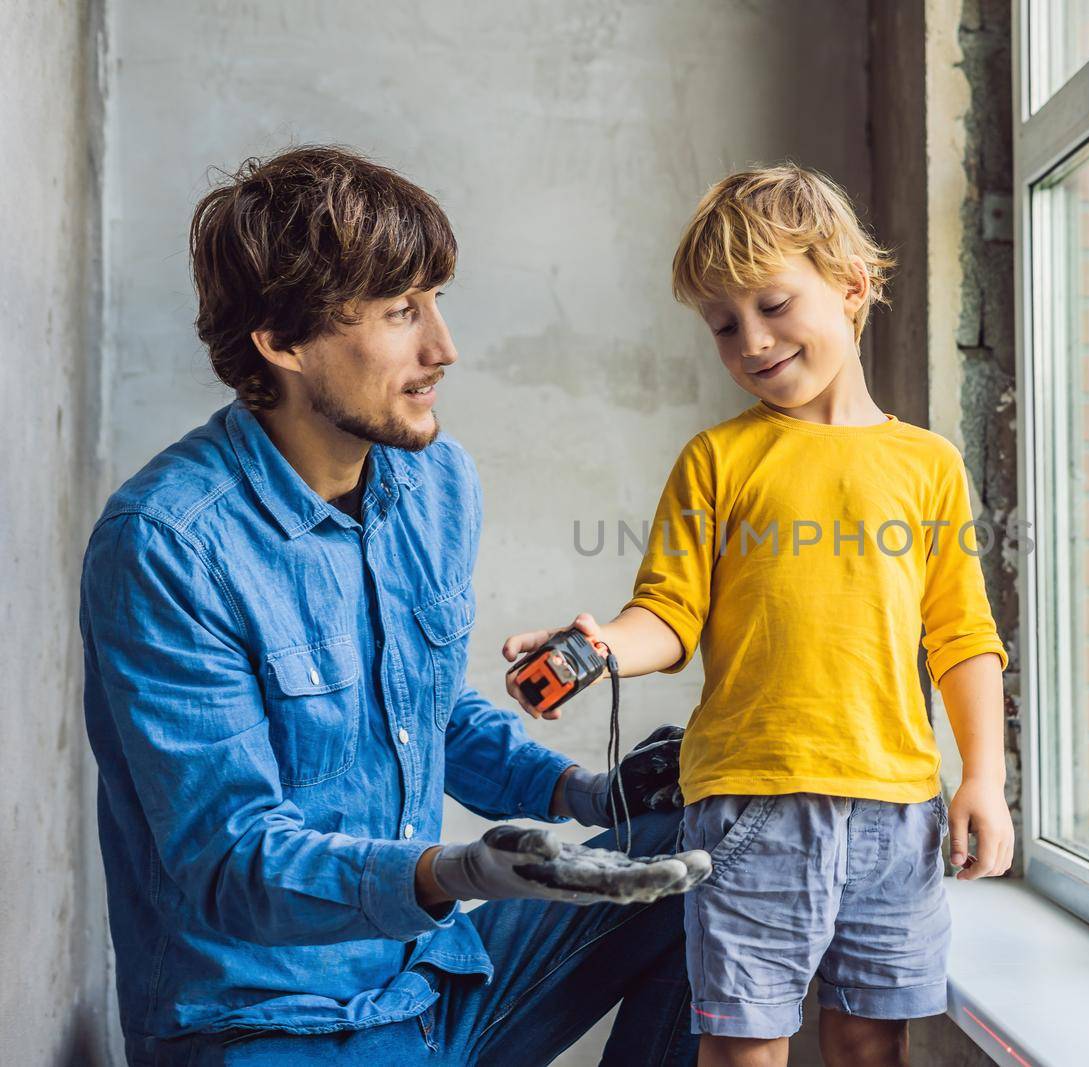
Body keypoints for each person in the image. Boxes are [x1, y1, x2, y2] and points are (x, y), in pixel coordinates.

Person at [79, 145, 710, 1066]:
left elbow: (419, 708)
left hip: (432, 983)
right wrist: (453, 870)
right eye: (400, 311)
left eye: (436, 301)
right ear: (281, 340)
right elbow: (228, 858)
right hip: (270, 1024)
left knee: (709, 862)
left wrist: (581, 792)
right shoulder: (166, 545)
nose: (443, 348)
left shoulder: (433, 479)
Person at [503, 164, 1012, 1067]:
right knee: (743, 1047)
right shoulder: (718, 460)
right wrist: (598, 648)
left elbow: (963, 636)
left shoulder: (928, 464)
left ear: (853, 288)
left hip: (897, 810)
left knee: (870, 1043)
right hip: (750, 808)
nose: (751, 341)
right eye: (724, 325)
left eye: (774, 304)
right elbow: (666, 615)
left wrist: (983, 776)